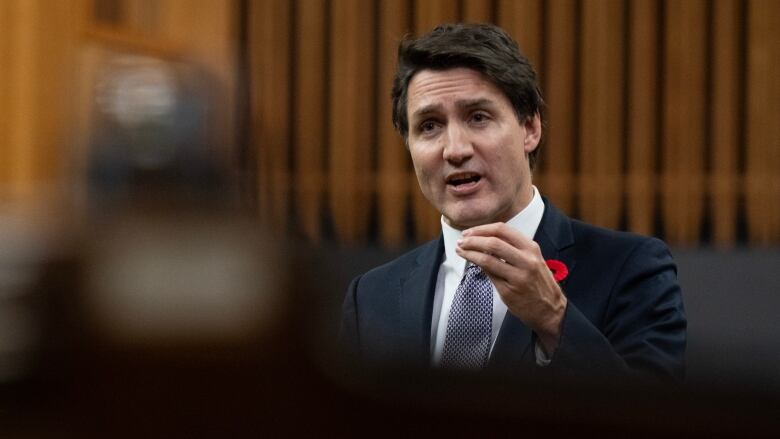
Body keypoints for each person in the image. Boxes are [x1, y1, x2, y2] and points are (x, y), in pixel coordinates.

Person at [340, 23, 686, 381]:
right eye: (429, 126)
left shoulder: (630, 269)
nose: (455, 149)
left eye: (478, 117)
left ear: (530, 128)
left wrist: (555, 319)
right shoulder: (370, 298)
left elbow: (651, 417)